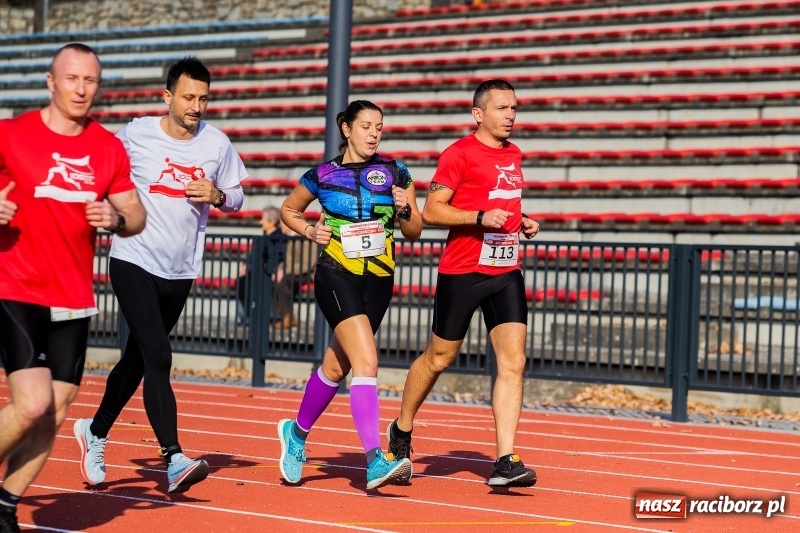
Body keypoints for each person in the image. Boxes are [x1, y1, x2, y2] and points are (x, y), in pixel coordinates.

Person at [72, 56, 247, 495]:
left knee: (138, 359)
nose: (196, 106)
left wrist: (219, 193)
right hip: (133, 257)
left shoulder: (217, 144)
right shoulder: (135, 133)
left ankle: (95, 430)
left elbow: (239, 197)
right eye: (189, 97)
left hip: (180, 267)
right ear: (167, 96)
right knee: (159, 355)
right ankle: (174, 458)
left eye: (204, 98)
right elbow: (97, 167)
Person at [0, 43, 146, 533]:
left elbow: (136, 215)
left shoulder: (106, 146)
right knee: (32, 403)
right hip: (16, 284)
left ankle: (4, 506)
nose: (81, 89)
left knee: (54, 413)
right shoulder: (11, 134)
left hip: (73, 295)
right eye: (71, 79)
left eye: (90, 81)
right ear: (50, 81)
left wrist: (117, 218)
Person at [387, 79, 540, 488]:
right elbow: (433, 211)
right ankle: (401, 428)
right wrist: (477, 218)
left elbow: (502, 203)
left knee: (514, 362)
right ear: (479, 114)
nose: (511, 115)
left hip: (506, 270)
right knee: (440, 357)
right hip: (463, 270)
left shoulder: (515, 153)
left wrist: (521, 222)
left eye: (514, 108)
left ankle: (505, 459)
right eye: (503, 108)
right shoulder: (458, 153)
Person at [277, 100, 423, 490]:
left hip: (378, 279)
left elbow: (415, 231)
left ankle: (296, 434)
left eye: (379, 126)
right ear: (347, 129)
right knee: (367, 361)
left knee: (337, 368)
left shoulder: (396, 172)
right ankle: (375, 459)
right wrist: (309, 231)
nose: (374, 133)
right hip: (335, 274)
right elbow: (288, 210)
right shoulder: (321, 175)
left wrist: (405, 210)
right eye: (366, 126)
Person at [236, 206, 286, 326]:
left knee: (247, 282)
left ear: (272, 221)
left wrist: (251, 266)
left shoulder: (278, 239)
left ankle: (252, 316)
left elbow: (275, 257)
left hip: (265, 271)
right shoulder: (264, 236)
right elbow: (253, 256)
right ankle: (246, 316)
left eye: (263, 219)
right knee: (242, 281)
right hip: (255, 270)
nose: (260, 222)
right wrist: (246, 264)